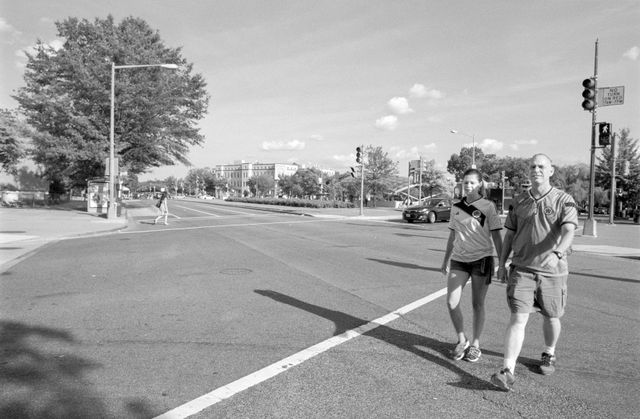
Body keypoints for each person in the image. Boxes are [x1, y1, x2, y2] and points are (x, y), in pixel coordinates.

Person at [491, 154, 578, 391]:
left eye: (541, 166)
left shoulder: (563, 199)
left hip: (553, 272)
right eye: (532, 166)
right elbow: (509, 234)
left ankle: (549, 352)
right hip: (522, 270)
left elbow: (569, 231)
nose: (536, 170)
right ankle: (507, 369)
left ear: (551, 171)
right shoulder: (519, 201)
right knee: (518, 318)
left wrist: (558, 253)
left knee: (552, 316)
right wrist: (502, 263)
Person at [441, 169, 503, 362]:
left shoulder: (488, 206)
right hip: (459, 260)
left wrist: (501, 263)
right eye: (465, 182)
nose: (468, 186)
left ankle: (475, 344)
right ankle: (462, 339)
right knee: (452, 302)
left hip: (481, 260)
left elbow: (496, 236)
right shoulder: (456, 206)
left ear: (480, 184)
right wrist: (445, 260)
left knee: (477, 304)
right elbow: (452, 235)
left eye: (472, 183)